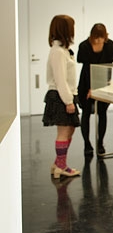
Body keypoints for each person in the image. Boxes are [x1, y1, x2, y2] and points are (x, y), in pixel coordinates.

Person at [43, 15, 81, 179]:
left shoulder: (62, 50)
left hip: (66, 95)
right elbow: (60, 79)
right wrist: (68, 101)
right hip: (61, 96)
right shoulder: (58, 52)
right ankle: (61, 166)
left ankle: (58, 163)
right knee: (64, 131)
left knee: (69, 129)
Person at [77, 23, 113, 156]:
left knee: (102, 112)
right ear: (92, 36)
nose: (99, 40)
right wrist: (91, 88)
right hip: (86, 83)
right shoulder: (84, 46)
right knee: (85, 113)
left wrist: (103, 87)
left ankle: (100, 142)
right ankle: (86, 143)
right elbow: (86, 69)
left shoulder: (109, 45)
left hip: (103, 83)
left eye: (101, 37)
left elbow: (109, 67)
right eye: (96, 37)